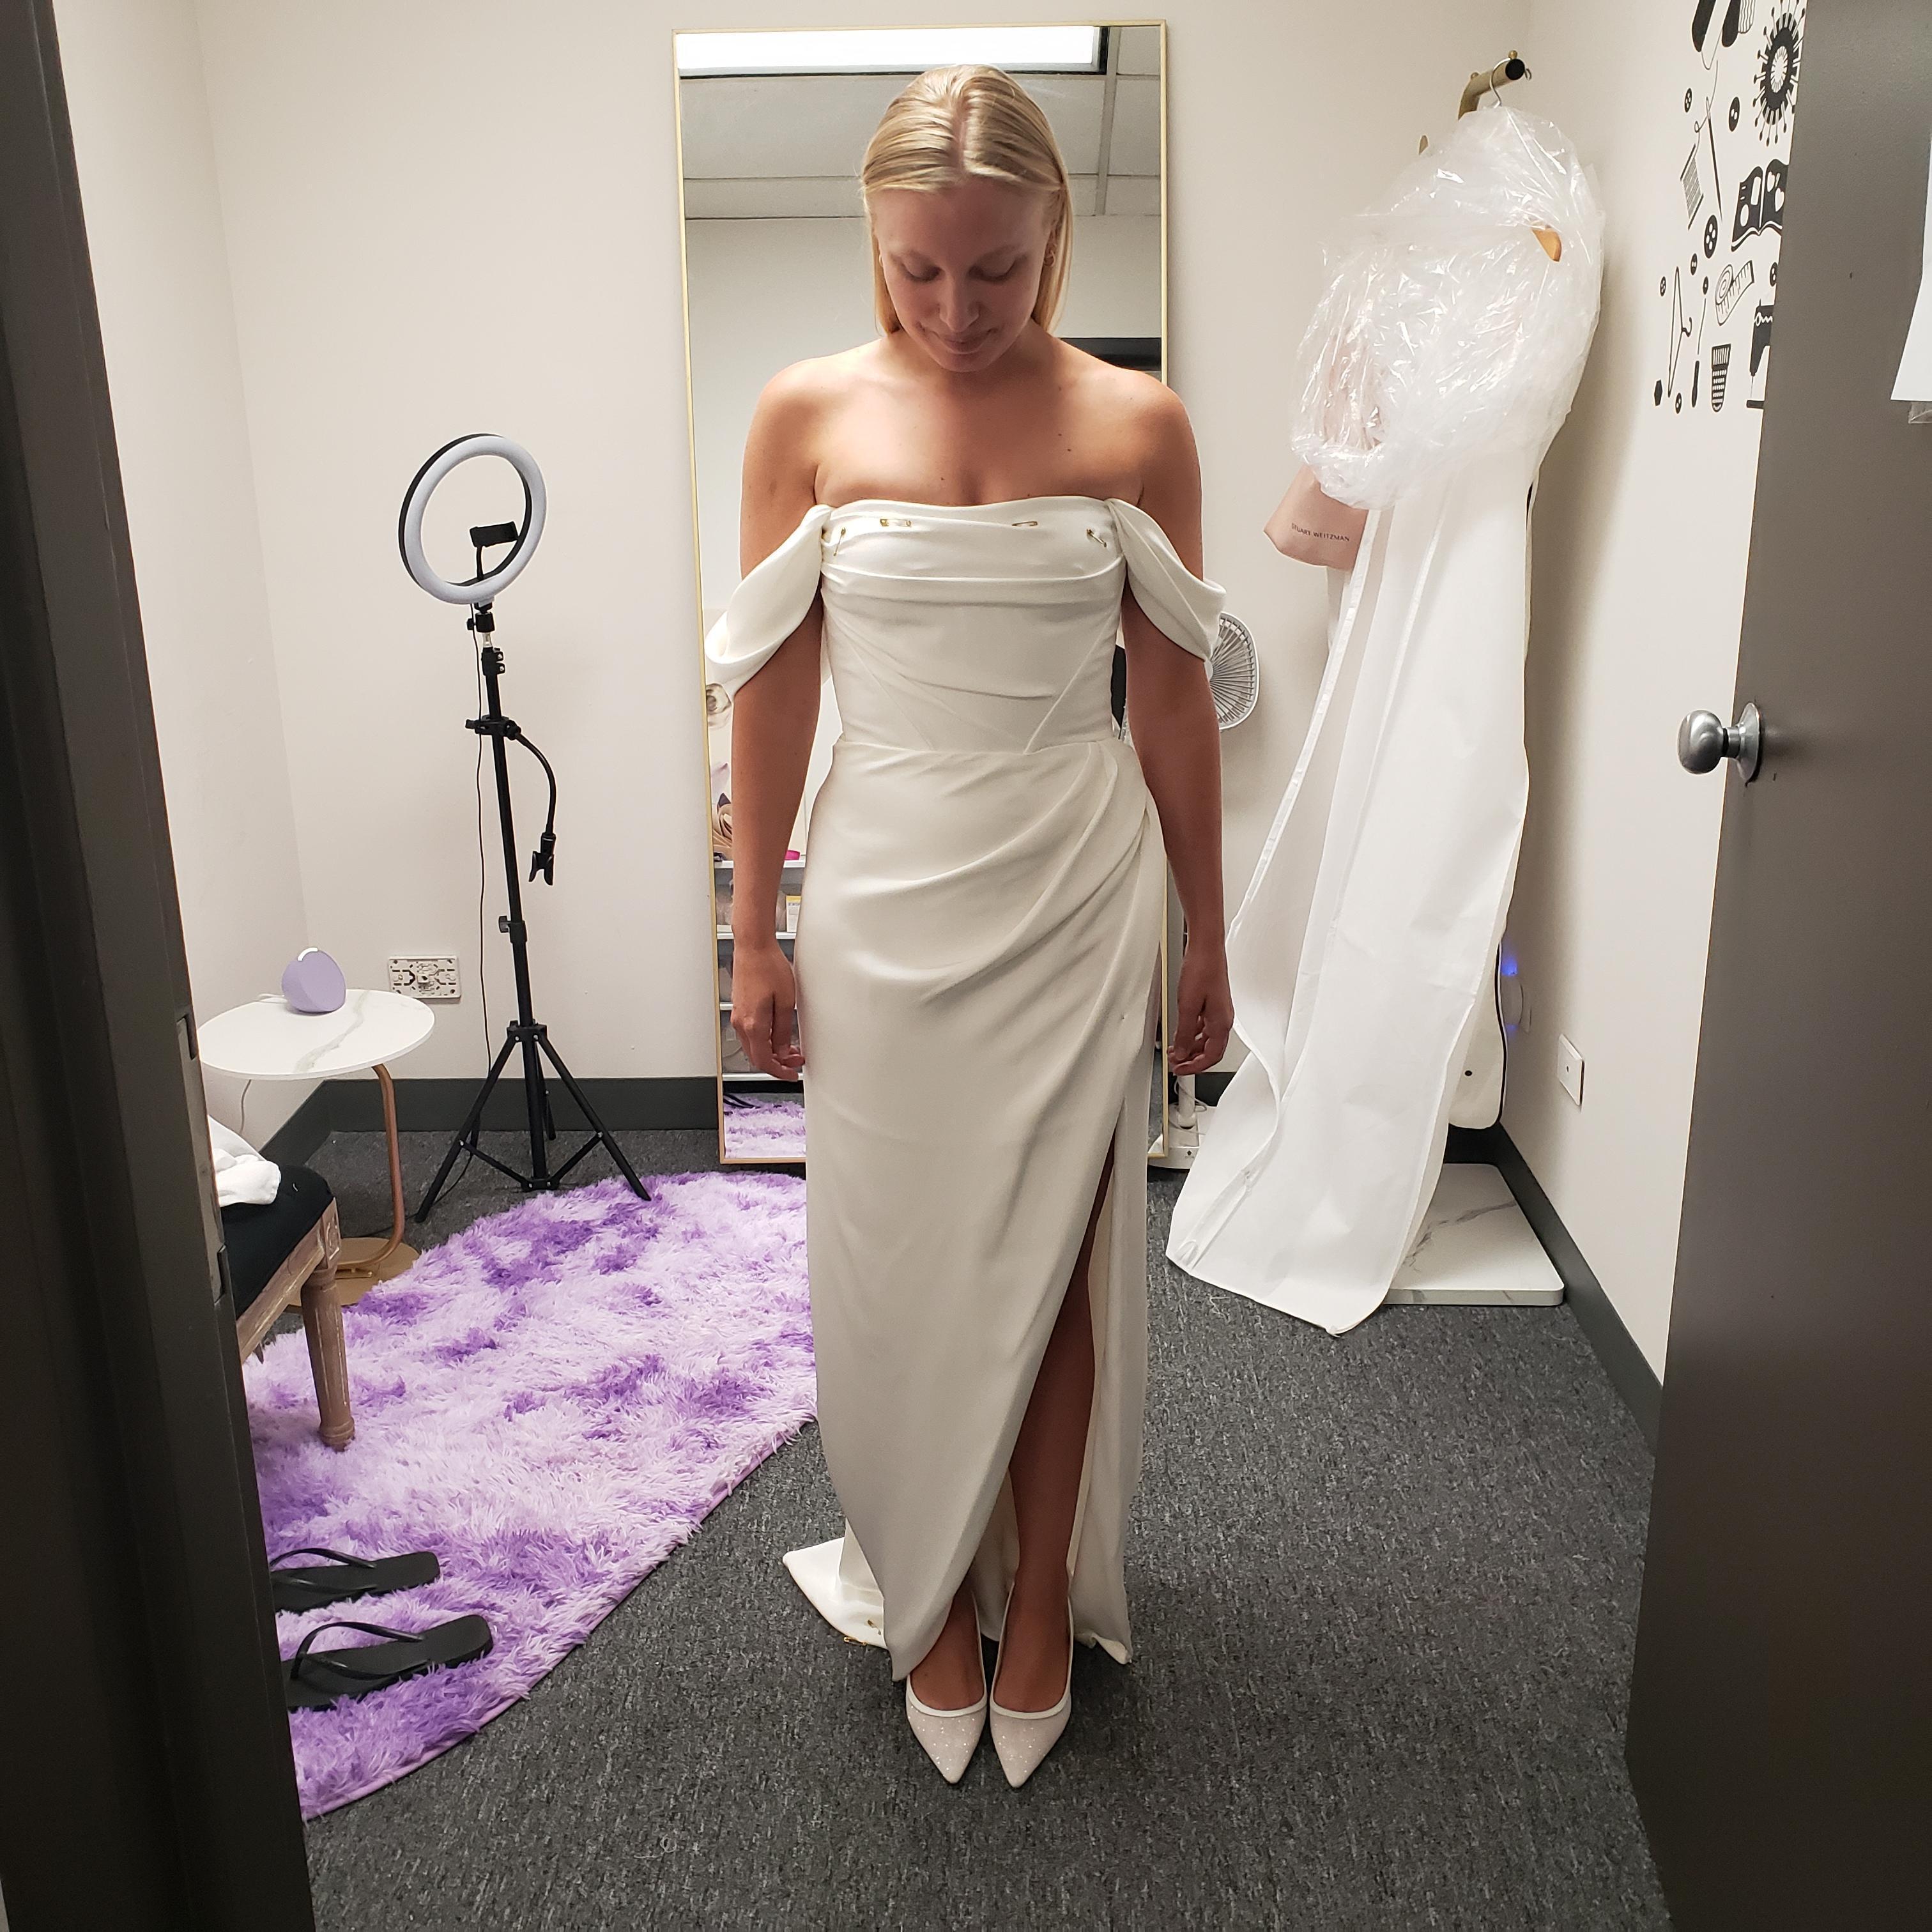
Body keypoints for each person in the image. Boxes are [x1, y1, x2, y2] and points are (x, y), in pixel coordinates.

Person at [705, 63, 1230, 1788]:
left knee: (1058, 1255)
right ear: (874, 242)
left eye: (995, 268)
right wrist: (757, 931)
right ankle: (926, 1585)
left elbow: (1171, 707)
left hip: (1074, 886)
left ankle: (1037, 1601)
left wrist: (1209, 934)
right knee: (891, 1256)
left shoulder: (1138, 429)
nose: (954, 307)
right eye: (917, 268)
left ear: (1053, 237)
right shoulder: (804, 417)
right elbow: (773, 692)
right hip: (883, 888)